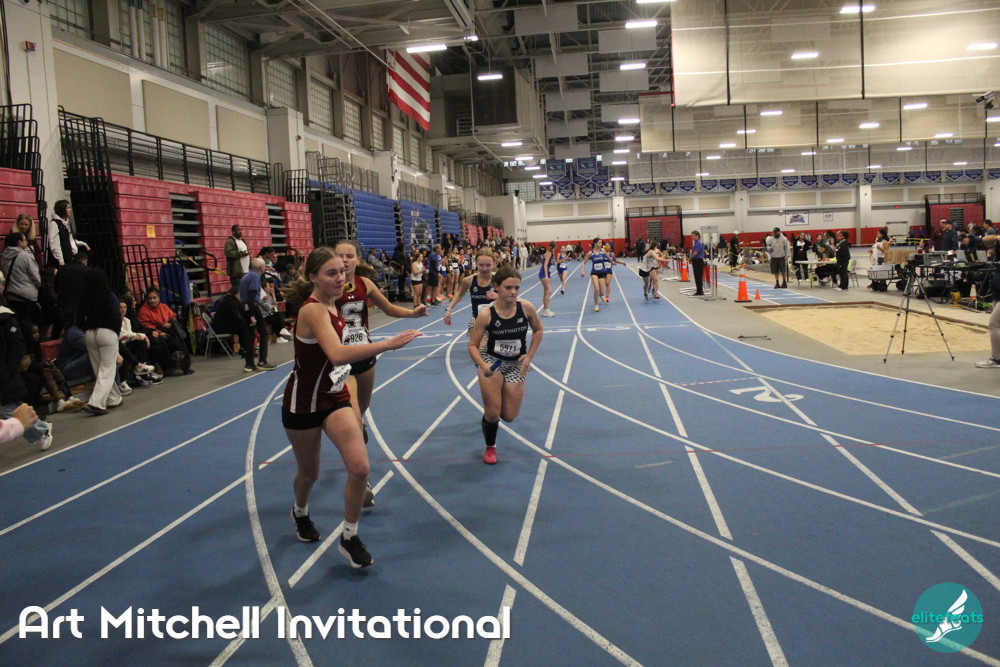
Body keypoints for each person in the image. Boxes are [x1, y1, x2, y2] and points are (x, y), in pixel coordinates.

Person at [280, 246, 422, 568]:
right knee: (310, 472)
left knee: (359, 468)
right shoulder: (313, 311)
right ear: (313, 277)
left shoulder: (336, 303)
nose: (340, 278)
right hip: (303, 403)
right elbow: (338, 354)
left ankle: (349, 536)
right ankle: (300, 511)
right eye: (331, 273)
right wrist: (388, 344)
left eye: (342, 272)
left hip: (335, 396)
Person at [334, 240, 428, 455]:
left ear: (358, 259)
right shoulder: (328, 286)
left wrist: (413, 313)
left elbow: (389, 308)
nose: (345, 260)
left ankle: (358, 425)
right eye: (340, 256)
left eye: (349, 256)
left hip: (365, 354)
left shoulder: (365, 283)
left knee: (362, 406)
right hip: (340, 358)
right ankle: (357, 455)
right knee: (352, 416)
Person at [468, 265, 543, 465]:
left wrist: (529, 356)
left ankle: (496, 401)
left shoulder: (526, 307)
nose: (513, 292)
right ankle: (490, 446)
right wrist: (481, 365)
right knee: (493, 412)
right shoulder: (487, 314)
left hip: (517, 363)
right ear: (497, 287)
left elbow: (538, 330)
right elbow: (473, 345)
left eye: (516, 288)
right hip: (492, 362)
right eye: (508, 287)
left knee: (508, 416)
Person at [0, 302, 53, 450]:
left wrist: (9, 369)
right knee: (10, 408)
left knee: (8, 409)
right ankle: (41, 427)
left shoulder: (6, 319)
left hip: (5, 373)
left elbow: (17, 345)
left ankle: (42, 431)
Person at [76, 268, 124, 415]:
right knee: (107, 369)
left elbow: (78, 318)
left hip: (90, 333)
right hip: (107, 332)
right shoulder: (109, 295)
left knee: (99, 369)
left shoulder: (84, 297)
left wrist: (86, 329)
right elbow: (116, 316)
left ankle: (114, 398)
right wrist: (116, 331)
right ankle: (96, 403)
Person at [138, 286, 193, 376]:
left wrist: (170, 323)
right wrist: (159, 333)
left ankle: (185, 366)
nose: (152, 300)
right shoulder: (143, 311)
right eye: (150, 298)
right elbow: (145, 326)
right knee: (162, 343)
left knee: (180, 341)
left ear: (159, 298)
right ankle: (168, 368)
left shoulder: (164, 307)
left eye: (154, 298)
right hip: (154, 333)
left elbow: (172, 317)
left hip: (168, 330)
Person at [445, 249, 497, 332]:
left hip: (497, 321)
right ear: (476, 263)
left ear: (494, 263)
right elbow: (459, 293)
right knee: (476, 339)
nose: (484, 268)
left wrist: (498, 297)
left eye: (488, 265)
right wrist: (449, 309)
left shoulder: (500, 280)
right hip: (477, 321)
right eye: (481, 265)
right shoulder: (468, 280)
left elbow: (513, 299)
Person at [240, 258, 277, 372]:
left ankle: (249, 364)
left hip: (245, 307)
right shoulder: (255, 277)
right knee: (264, 332)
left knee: (250, 335)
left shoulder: (247, 276)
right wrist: (252, 315)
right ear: (261, 267)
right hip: (252, 306)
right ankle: (262, 361)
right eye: (264, 266)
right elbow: (251, 296)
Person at [2, 231, 42, 326]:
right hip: (27, 296)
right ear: (19, 242)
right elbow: (36, 277)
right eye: (24, 240)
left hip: (11, 295)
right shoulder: (25, 256)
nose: (27, 242)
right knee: (29, 325)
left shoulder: (4, 256)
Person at [976, 233, 1000, 368]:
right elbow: (985, 240)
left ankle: (997, 358)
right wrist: (997, 239)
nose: (990, 250)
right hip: (997, 293)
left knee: (994, 324)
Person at [46, 200, 90, 268]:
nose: (70, 210)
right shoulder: (55, 224)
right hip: (63, 259)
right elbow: (54, 243)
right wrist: (60, 260)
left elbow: (70, 239)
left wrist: (83, 244)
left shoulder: (66, 223)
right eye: (68, 208)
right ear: (62, 209)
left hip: (70, 256)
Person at [580, 237, 610, 312]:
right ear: (595, 243)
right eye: (599, 243)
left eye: (601, 243)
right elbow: (583, 263)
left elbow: (609, 258)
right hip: (594, 273)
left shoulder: (603, 251)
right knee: (596, 289)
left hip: (602, 273)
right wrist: (582, 271)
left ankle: (601, 295)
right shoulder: (590, 253)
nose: (601, 244)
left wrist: (613, 262)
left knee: (602, 292)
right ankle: (596, 305)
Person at [537, 241, 555, 317]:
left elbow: (552, 263)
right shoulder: (549, 253)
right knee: (548, 291)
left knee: (546, 291)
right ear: (555, 246)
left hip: (548, 273)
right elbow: (545, 265)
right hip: (544, 274)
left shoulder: (551, 252)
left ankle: (545, 310)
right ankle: (546, 310)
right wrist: (546, 276)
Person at [689, 231, 706, 296]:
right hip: (696, 261)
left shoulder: (699, 243)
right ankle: (699, 290)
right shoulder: (696, 243)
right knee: (697, 276)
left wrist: (690, 259)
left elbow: (695, 253)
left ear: (697, 236)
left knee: (698, 277)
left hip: (698, 261)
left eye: (693, 236)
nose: (692, 237)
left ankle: (699, 291)